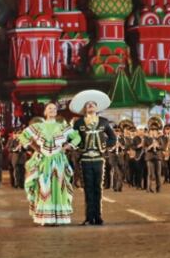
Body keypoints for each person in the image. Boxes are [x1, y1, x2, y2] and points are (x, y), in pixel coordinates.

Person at [19, 103, 80, 226]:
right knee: (44, 186)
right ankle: (46, 217)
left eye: (54, 109)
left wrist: (67, 146)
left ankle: (58, 216)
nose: (52, 110)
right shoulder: (38, 126)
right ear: (45, 112)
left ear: (57, 112)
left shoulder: (63, 126)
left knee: (58, 186)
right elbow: (23, 136)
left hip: (58, 160)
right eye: (49, 108)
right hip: (43, 160)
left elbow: (77, 137)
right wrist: (35, 148)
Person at [70, 90, 116, 226]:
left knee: (98, 188)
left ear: (97, 108)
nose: (90, 106)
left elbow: (113, 138)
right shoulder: (78, 123)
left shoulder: (104, 122)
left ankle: (98, 216)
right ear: (84, 108)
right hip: (85, 159)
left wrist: (104, 145)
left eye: (92, 104)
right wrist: (78, 146)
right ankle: (89, 217)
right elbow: (72, 138)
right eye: (88, 104)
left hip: (99, 159)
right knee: (88, 188)